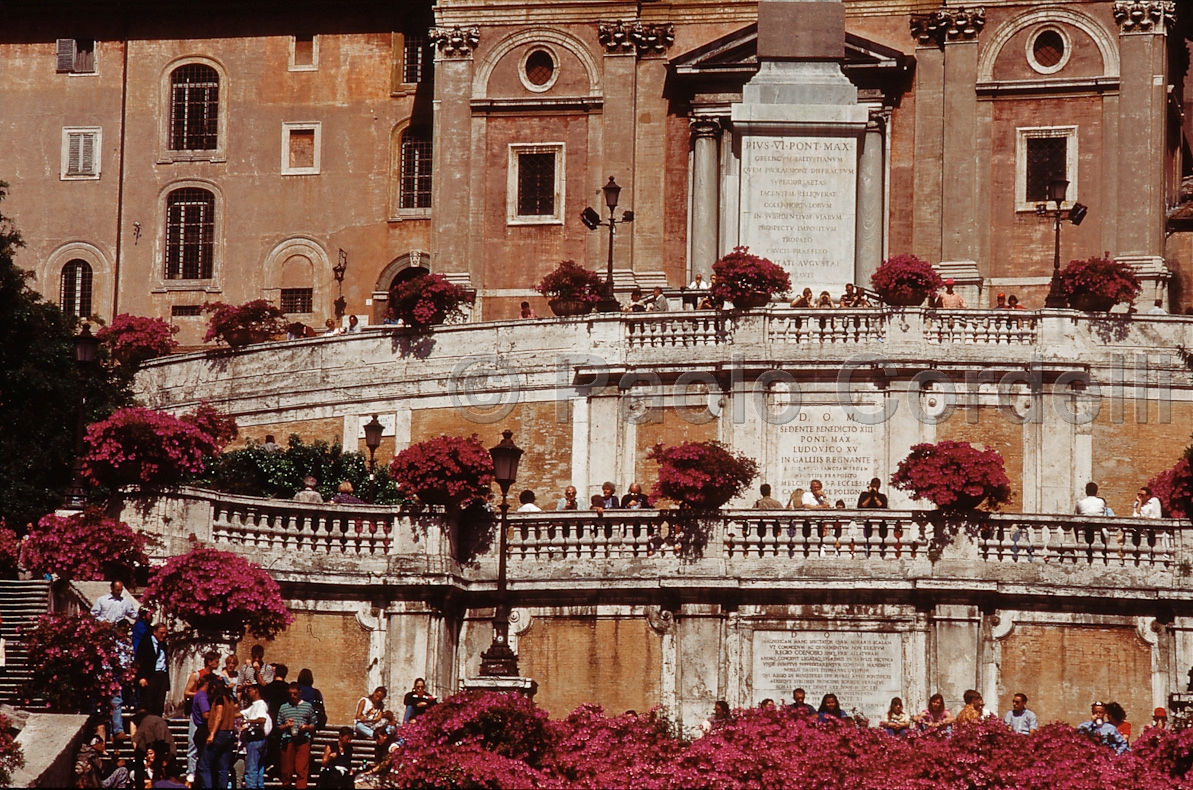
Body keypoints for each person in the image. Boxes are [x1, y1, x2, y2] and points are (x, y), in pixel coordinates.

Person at [197, 683, 237, 790]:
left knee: (204, 765)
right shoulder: (230, 700)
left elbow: (219, 716)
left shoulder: (220, 699)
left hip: (220, 733)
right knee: (223, 768)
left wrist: (212, 734)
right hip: (229, 734)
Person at [278, 682, 318, 789]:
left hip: (303, 739)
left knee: (302, 769)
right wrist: (286, 725)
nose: (292, 696)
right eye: (290, 694)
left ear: (300, 693)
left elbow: (314, 724)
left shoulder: (307, 707)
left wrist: (306, 727)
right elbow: (278, 726)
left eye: (295, 694)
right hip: (288, 739)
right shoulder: (283, 707)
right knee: (286, 770)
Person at [239, 684, 272, 790]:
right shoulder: (253, 706)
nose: (248, 693)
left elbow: (262, 719)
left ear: (256, 691)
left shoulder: (260, 704)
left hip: (255, 739)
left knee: (251, 768)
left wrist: (248, 721)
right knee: (259, 768)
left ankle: (252, 787)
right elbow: (240, 713)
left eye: (249, 691)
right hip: (256, 740)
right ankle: (259, 786)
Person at [135, 623, 170, 718]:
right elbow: (139, 660)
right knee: (148, 702)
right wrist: (141, 677)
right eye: (161, 633)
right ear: (155, 632)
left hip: (161, 675)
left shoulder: (163, 645)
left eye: (165, 633)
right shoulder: (146, 643)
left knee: (159, 703)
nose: (164, 635)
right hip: (150, 676)